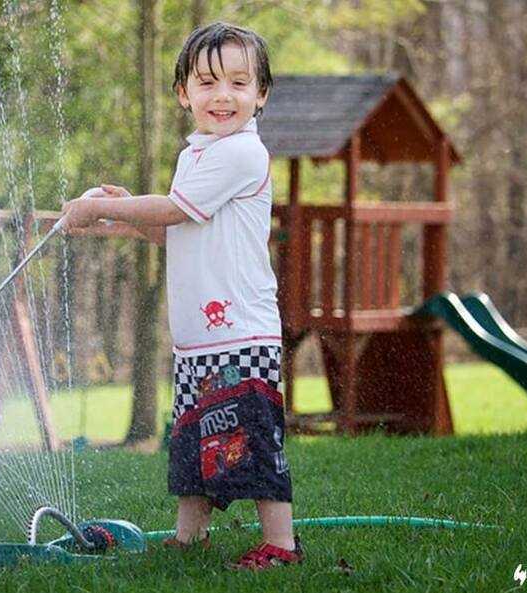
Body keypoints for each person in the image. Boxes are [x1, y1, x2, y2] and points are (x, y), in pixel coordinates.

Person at [61, 21, 301, 570]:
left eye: (240, 84)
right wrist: (119, 220)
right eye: (208, 82)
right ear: (183, 93)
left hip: (240, 330)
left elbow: (172, 209)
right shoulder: (195, 156)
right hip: (198, 337)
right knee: (195, 439)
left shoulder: (242, 153)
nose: (223, 96)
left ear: (261, 95)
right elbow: (177, 227)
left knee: (253, 438)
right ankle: (190, 537)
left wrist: (105, 207)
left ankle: (281, 546)